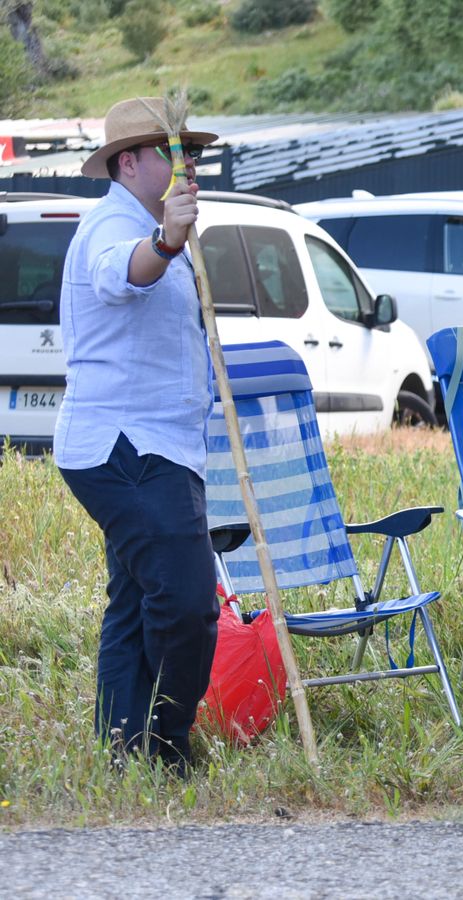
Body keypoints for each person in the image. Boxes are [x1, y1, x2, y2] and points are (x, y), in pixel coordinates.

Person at [54, 96, 221, 774]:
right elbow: (121, 272)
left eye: (193, 155)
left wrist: (169, 241)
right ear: (129, 163)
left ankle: (126, 754)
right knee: (186, 605)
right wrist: (165, 242)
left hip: (158, 446)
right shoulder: (114, 226)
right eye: (171, 153)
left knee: (133, 604)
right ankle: (168, 743)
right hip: (129, 448)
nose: (188, 168)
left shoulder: (151, 224)